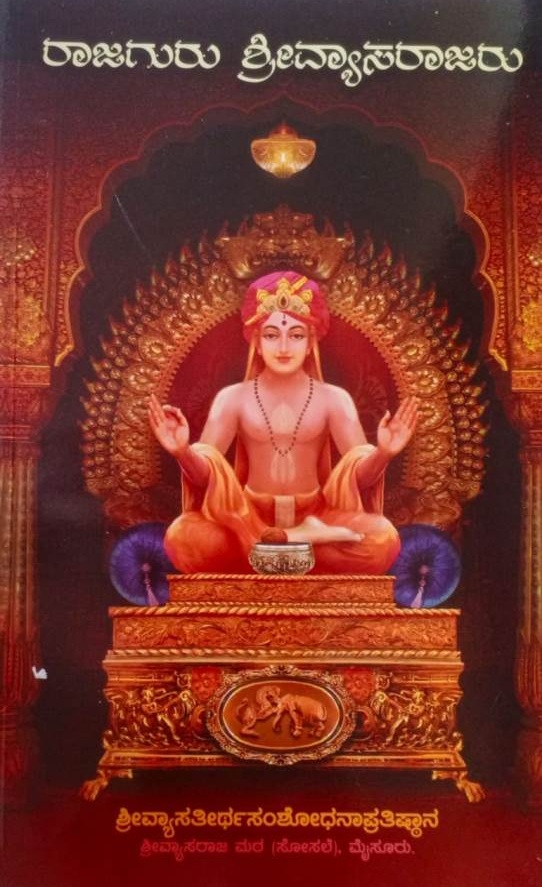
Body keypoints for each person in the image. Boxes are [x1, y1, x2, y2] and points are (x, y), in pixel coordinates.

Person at [148, 270, 418, 574]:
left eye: (296, 335)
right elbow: (206, 478)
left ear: (311, 342)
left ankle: (286, 540)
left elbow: (358, 479)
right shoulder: (233, 398)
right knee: (183, 538)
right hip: (246, 519)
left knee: (383, 539)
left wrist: (383, 453)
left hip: (318, 518)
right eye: (272, 335)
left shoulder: (334, 399)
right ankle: (290, 539)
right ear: (257, 341)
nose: (284, 347)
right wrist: (183, 451)